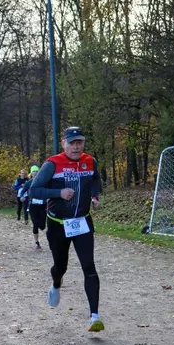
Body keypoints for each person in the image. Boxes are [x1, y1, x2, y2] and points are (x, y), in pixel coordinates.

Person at [30, 126, 104, 332]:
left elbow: (95, 180)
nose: (76, 147)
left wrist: (94, 197)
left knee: (89, 267)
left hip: (82, 222)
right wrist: (59, 193)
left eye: (80, 143)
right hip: (58, 224)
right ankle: (56, 283)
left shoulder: (90, 161)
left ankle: (95, 316)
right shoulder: (52, 164)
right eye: (72, 143)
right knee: (60, 267)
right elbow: (34, 190)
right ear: (64, 143)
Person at [20, 165, 46, 249]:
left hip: (42, 206)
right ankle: (37, 242)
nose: (35, 173)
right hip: (33, 206)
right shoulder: (29, 183)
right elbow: (22, 191)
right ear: (31, 173)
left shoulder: (44, 182)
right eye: (33, 171)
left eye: (36, 171)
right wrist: (21, 197)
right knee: (35, 224)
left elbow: (48, 191)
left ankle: (40, 227)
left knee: (42, 226)